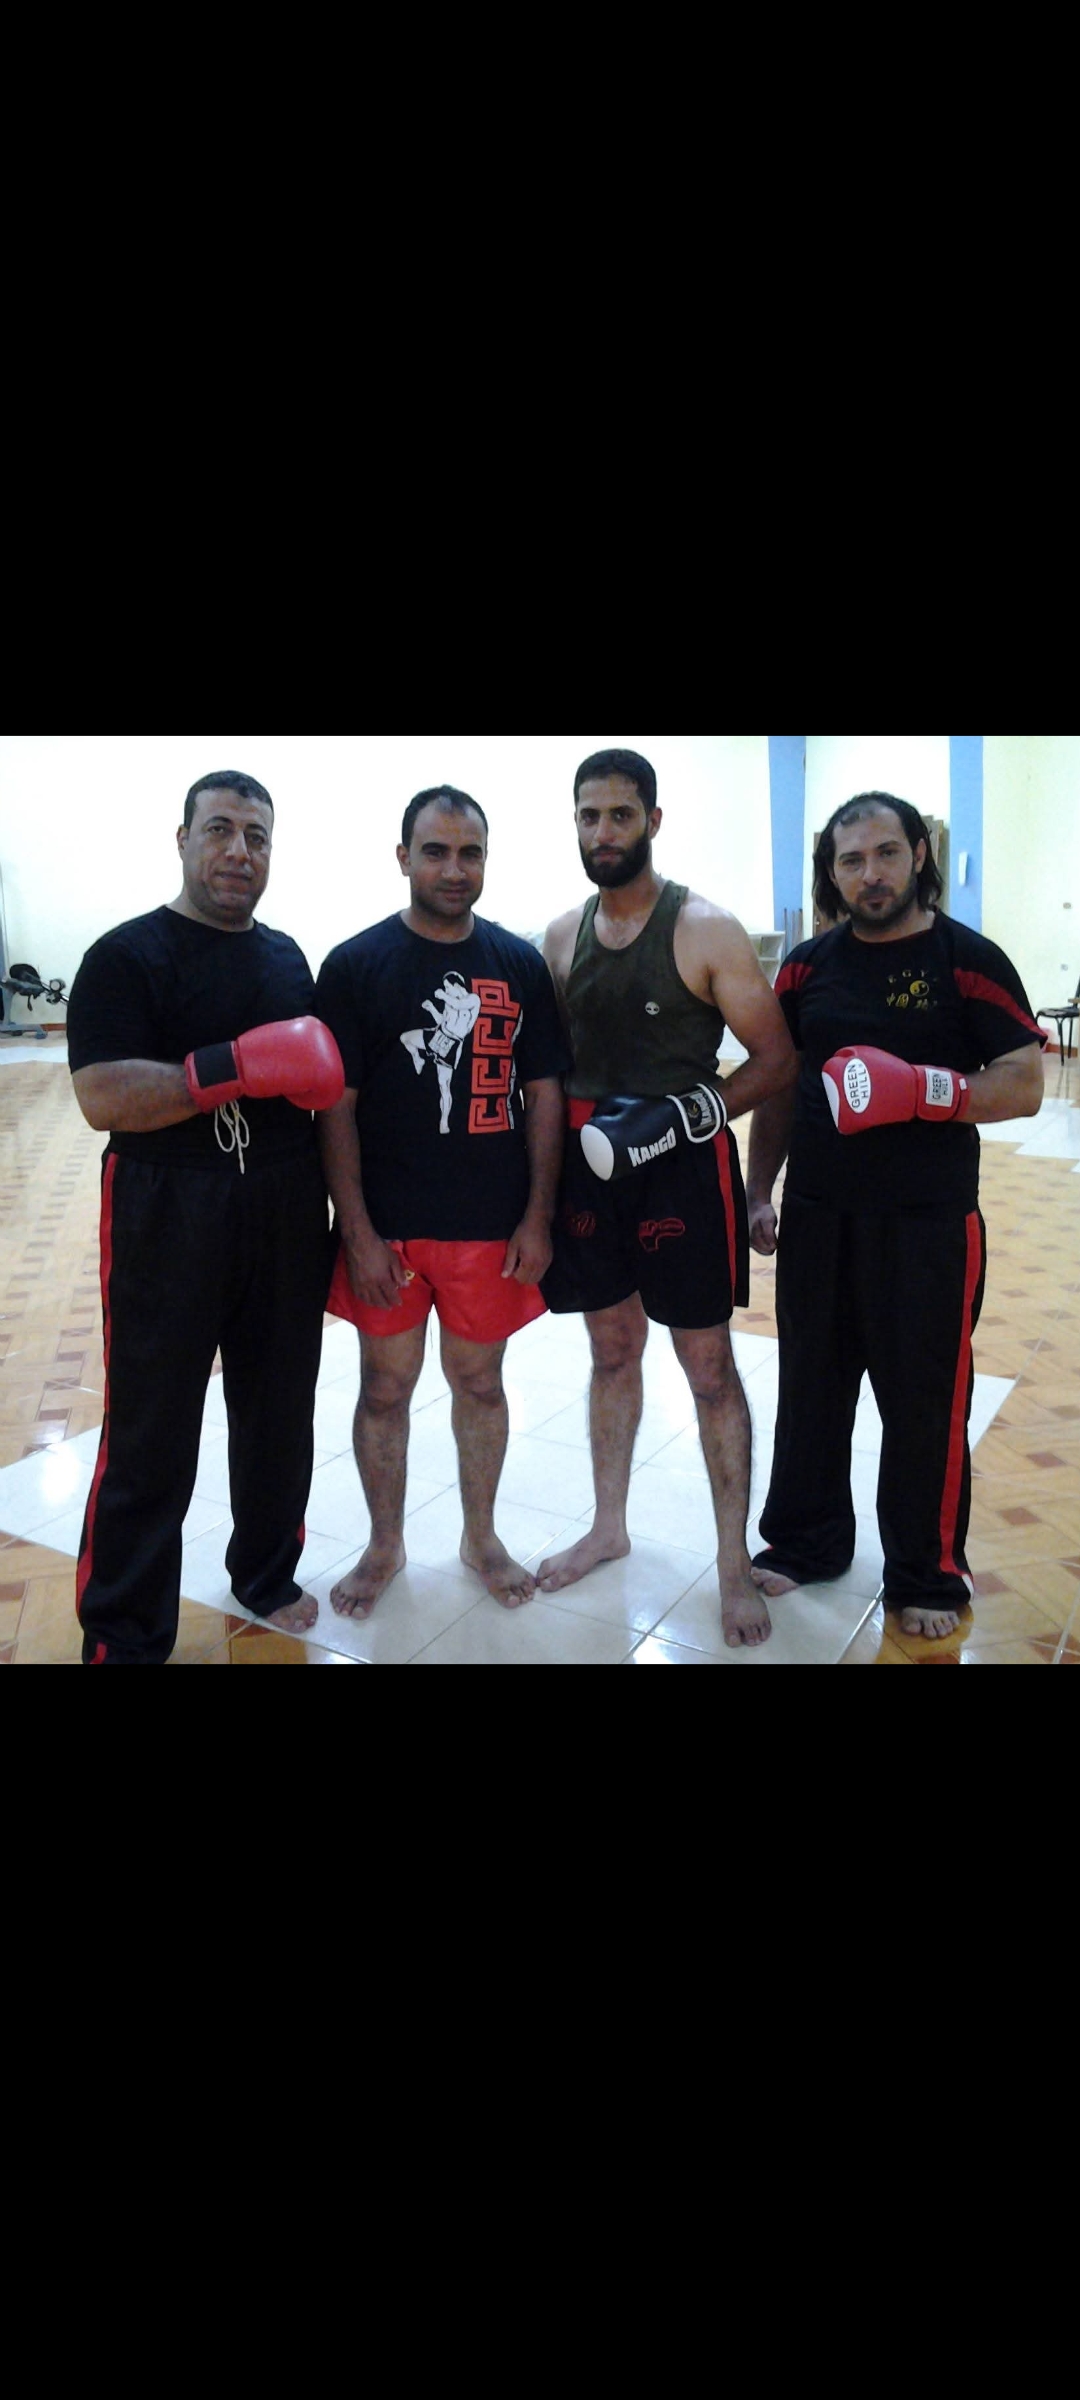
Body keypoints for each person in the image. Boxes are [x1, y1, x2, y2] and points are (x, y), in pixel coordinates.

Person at [747, 791, 1046, 1642]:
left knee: (925, 1400)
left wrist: (924, 1090)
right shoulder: (807, 966)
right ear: (832, 873)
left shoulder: (967, 960)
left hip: (927, 1222)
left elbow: (1024, 1082)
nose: (870, 874)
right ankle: (806, 1542)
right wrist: (759, 1189)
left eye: (886, 853)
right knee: (811, 1386)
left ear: (918, 854)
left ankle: (927, 1572)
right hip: (818, 1213)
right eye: (851, 860)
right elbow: (783, 1083)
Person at [68, 771, 344, 1666]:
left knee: (279, 1408)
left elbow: (322, 1093)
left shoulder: (287, 959)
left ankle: (265, 1573)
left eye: (256, 837)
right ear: (182, 838)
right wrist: (231, 1067)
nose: (238, 852)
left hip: (285, 1198)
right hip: (167, 1203)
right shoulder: (125, 955)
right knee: (151, 1423)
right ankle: (124, 1631)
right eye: (220, 830)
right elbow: (102, 1097)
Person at [537, 748, 798, 1650]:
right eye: (589, 816)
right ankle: (609, 1528)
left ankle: (731, 1565)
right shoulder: (559, 937)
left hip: (683, 1168)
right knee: (611, 1350)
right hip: (589, 1167)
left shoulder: (706, 929)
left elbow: (777, 1059)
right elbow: (547, 1073)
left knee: (708, 1366)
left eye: (620, 814)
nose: (603, 832)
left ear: (652, 819)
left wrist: (696, 1111)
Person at [314, 786, 571, 1617]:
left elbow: (545, 1095)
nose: (454, 870)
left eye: (470, 854)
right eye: (436, 852)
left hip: (488, 1227)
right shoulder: (354, 967)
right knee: (384, 1389)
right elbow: (335, 1107)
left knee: (480, 1384)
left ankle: (480, 1538)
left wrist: (538, 1215)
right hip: (388, 1229)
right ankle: (385, 1544)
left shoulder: (519, 965)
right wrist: (356, 1231)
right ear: (404, 858)